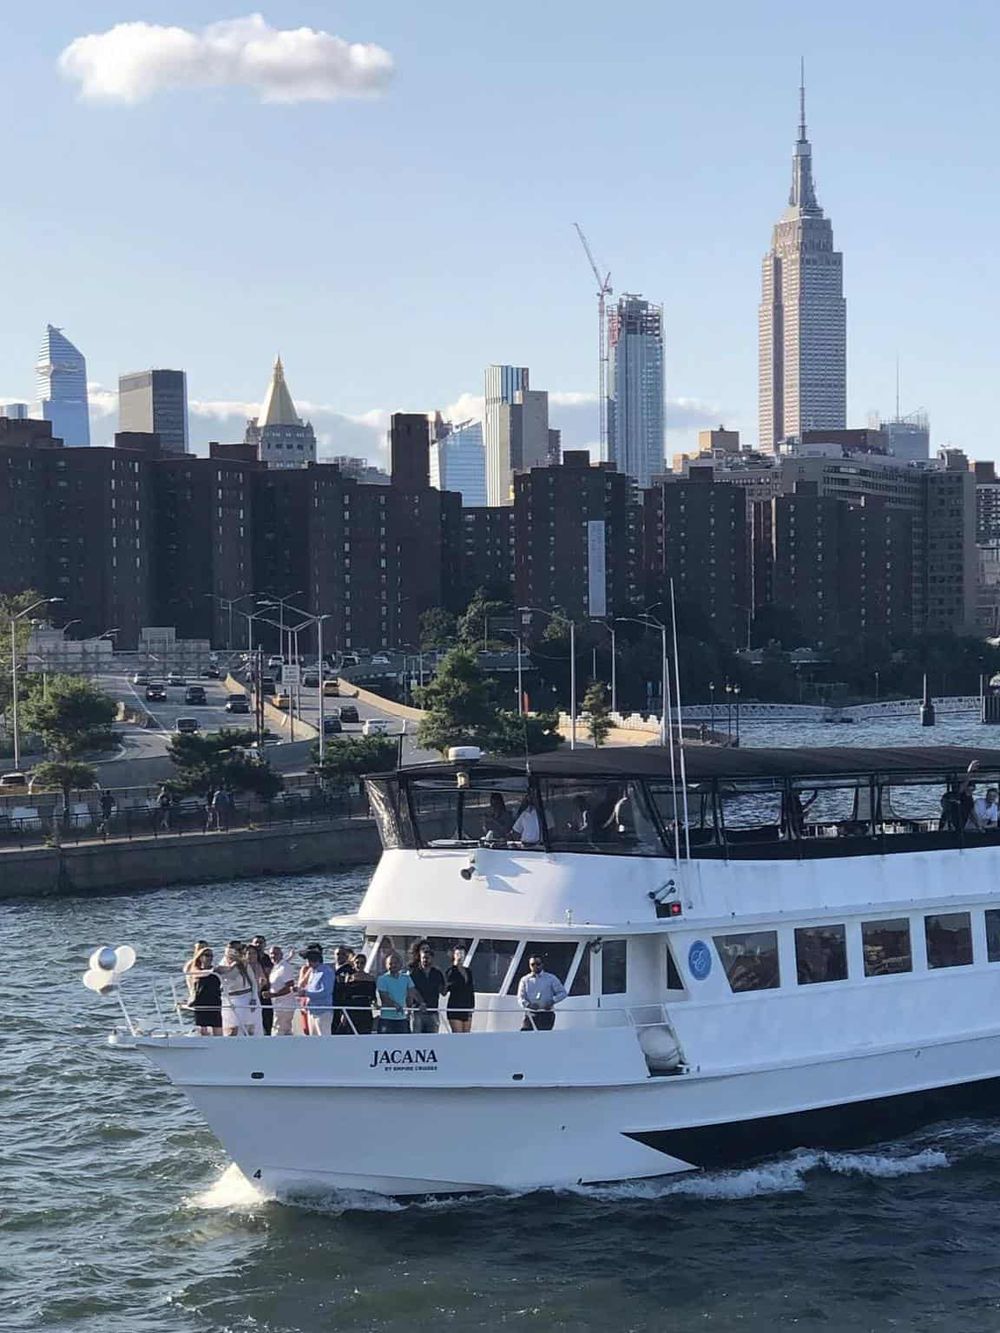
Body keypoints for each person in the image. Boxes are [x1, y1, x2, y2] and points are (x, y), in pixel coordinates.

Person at [216, 941, 258, 1036]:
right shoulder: (222, 964)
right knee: (231, 1028)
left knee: (249, 1027)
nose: (241, 951)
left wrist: (254, 998)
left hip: (246, 997)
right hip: (229, 999)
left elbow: (253, 982)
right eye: (238, 949)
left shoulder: (243, 964)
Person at [516, 955, 566, 1031]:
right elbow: (520, 997)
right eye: (532, 964)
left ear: (542, 964)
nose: (535, 966)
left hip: (546, 1014)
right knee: (525, 1036)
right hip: (530, 1014)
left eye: (538, 964)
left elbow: (562, 993)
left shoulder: (551, 978)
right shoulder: (525, 980)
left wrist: (552, 1001)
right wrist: (529, 1005)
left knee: (544, 1038)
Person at [376, 951, 420, 1035]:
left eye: (395, 963)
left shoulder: (406, 978)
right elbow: (384, 998)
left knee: (404, 1044)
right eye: (390, 963)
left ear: (400, 965)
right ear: (386, 965)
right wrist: (395, 1005)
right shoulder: (382, 979)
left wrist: (417, 1005)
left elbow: (412, 994)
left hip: (402, 1018)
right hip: (386, 1018)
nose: (393, 965)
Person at [408, 941, 446, 1034]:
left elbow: (443, 992)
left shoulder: (437, 973)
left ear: (432, 958)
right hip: (418, 1012)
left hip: (433, 1011)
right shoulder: (413, 973)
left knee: (432, 1041)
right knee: (416, 1040)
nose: (426, 960)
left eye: (428, 957)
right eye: (424, 957)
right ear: (419, 956)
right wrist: (419, 1003)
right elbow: (412, 991)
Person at [185, 945, 222, 1035]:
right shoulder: (196, 970)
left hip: (214, 1001)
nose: (209, 958)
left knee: (217, 1026)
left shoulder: (215, 970)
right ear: (200, 957)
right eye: (207, 955)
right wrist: (212, 971)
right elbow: (200, 974)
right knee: (202, 1028)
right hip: (201, 1001)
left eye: (211, 955)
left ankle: (219, 1044)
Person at [300, 945, 336, 1036]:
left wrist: (306, 993)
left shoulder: (326, 971)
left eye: (308, 959)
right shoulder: (313, 972)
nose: (306, 962)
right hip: (312, 1010)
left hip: (323, 1011)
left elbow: (325, 991)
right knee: (314, 1037)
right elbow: (311, 988)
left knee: (324, 1037)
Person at [341, 954, 376, 1034]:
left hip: (365, 1006)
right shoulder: (349, 977)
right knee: (350, 1031)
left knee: (365, 1031)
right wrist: (344, 1013)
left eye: (362, 963)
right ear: (354, 963)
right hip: (352, 1007)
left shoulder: (370, 978)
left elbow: (373, 996)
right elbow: (345, 996)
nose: (359, 965)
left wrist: (374, 1003)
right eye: (357, 962)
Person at [444, 945, 475, 1033]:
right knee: (458, 1034)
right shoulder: (450, 971)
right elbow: (447, 987)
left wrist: (472, 1006)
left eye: (462, 954)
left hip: (466, 1007)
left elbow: (471, 989)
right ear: (454, 955)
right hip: (455, 1007)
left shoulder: (468, 971)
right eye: (458, 954)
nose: (460, 956)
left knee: (466, 1035)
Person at [268, 946, 298, 1035]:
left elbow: (290, 987)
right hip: (278, 1006)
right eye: (271, 954)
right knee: (286, 1031)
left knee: (278, 1032)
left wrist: (273, 995)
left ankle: (276, 1048)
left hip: (285, 1006)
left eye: (276, 954)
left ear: (281, 955)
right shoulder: (277, 966)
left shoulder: (285, 967)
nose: (273, 956)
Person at [249, 936, 274, 1035]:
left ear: (265, 944)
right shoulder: (248, 959)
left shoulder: (266, 958)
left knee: (267, 1015)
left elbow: (269, 973)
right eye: (256, 943)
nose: (258, 945)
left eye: (261, 943)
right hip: (251, 990)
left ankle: (267, 1034)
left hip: (264, 990)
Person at [332, 944, 355, 1034]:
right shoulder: (329, 968)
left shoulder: (350, 970)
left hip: (344, 1003)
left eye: (343, 954)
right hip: (332, 1002)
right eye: (338, 954)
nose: (340, 956)